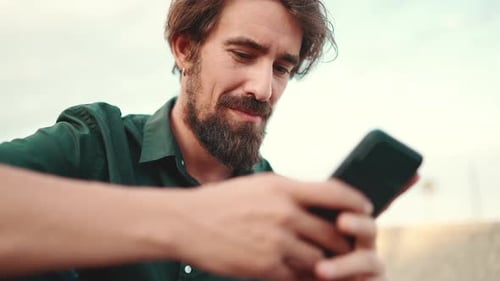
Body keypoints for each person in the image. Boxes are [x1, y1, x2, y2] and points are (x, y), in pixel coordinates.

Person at [0, 0, 411, 280]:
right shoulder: (94, 145)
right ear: (185, 48)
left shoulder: (285, 223)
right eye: (243, 54)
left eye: (282, 67)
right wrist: (186, 221)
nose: (264, 87)